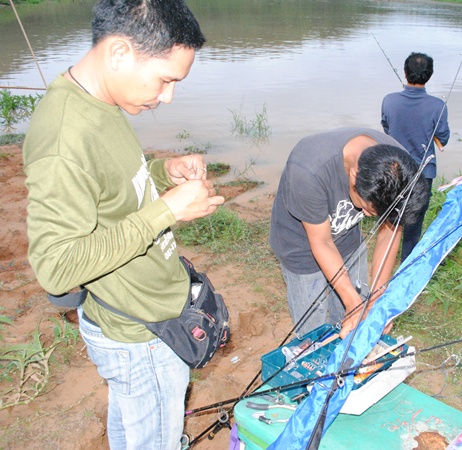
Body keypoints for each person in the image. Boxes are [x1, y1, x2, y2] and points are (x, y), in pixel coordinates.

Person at [22, 1, 225, 449]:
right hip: (138, 336)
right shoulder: (63, 137)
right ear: (119, 54)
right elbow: (57, 267)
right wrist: (167, 211)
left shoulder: (101, 100)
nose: (167, 96)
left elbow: (112, 191)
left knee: (135, 427)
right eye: (166, 79)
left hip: (150, 321)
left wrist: (161, 173)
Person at [269, 128, 427, 339]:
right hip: (301, 248)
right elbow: (322, 242)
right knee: (311, 328)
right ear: (354, 176)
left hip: (348, 241)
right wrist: (353, 302)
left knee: (354, 317)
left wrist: (377, 297)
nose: (370, 216)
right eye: (368, 209)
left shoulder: (399, 168)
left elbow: (389, 233)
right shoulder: (308, 170)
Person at [381, 52, 450, 262]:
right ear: (429, 75)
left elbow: (386, 127)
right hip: (422, 173)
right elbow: (443, 138)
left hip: (393, 169)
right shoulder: (438, 106)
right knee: (414, 221)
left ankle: (384, 260)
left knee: (391, 218)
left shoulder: (389, 100)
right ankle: (405, 263)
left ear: (405, 72)